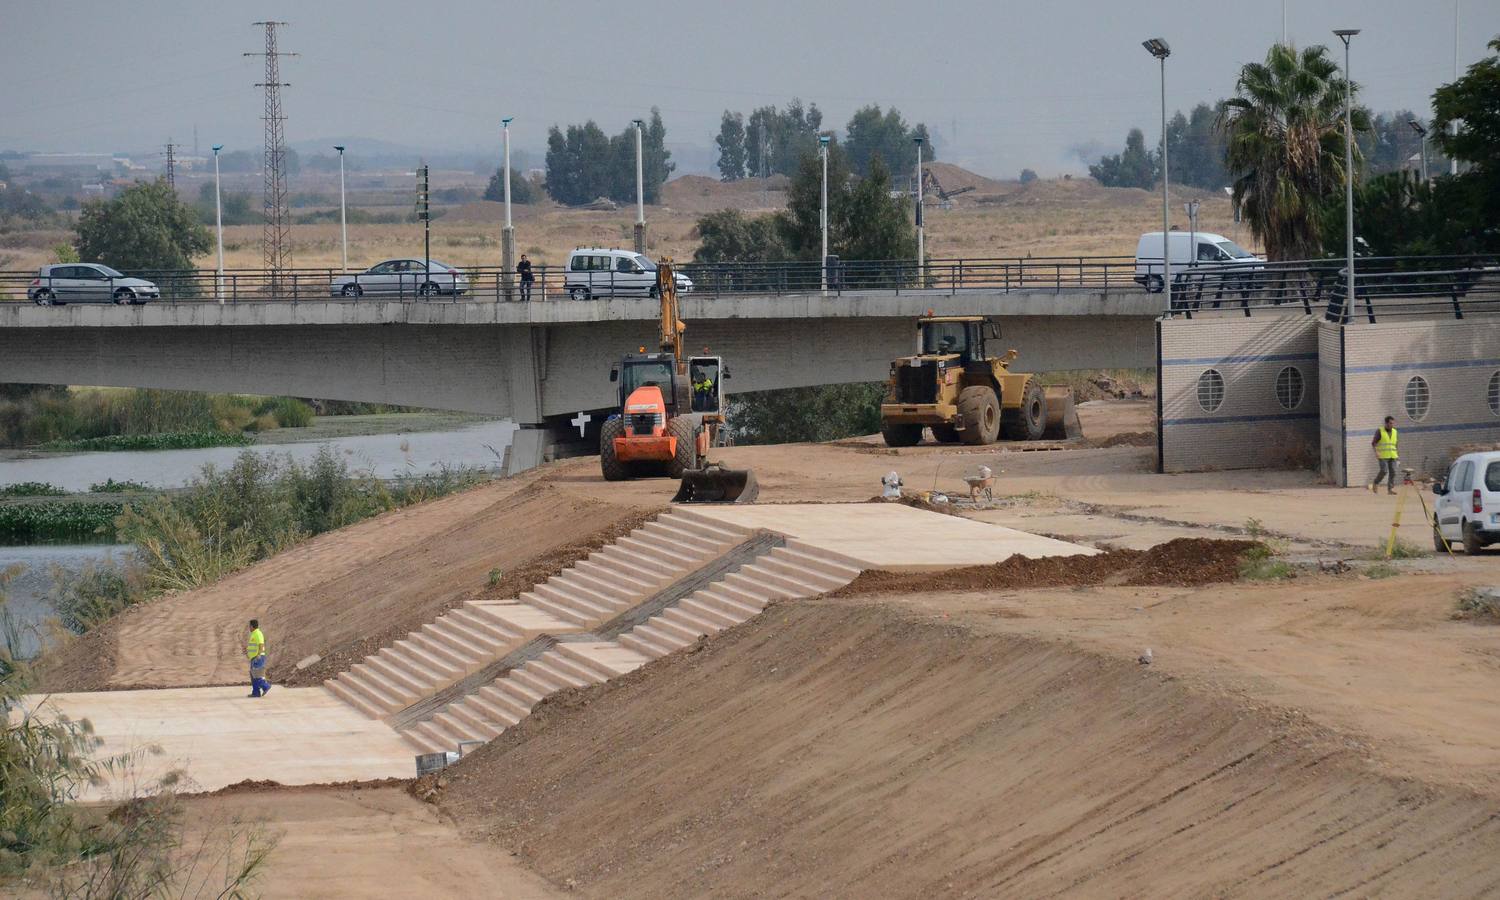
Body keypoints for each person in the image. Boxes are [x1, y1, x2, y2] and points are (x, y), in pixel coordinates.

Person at [1370, 415, 1400, 495]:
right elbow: (1374, 443)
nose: (1392, 425)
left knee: (1393, 472)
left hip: (1393, 455)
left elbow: (1395, 444)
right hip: (1383, 456)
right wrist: (1376, 452)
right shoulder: (1380, 431)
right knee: (1384, 470)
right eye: (1390, 423)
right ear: (1386, 423)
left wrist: (1397, 456)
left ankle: (1390, 489)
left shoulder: (1395, 431)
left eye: (1393, 423)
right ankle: (1376, 482)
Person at [247, 618, 271, 698]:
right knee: (253, 676)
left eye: (249, 626)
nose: (249, 627)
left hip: (258, 657)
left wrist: (258, 655)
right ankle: (256, 692)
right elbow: (254, 646)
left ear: (252, 626)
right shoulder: (254, 634)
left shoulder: (257, 633)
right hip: (254, 658)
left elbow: (261, 644)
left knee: (257, 675)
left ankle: (265, 686)